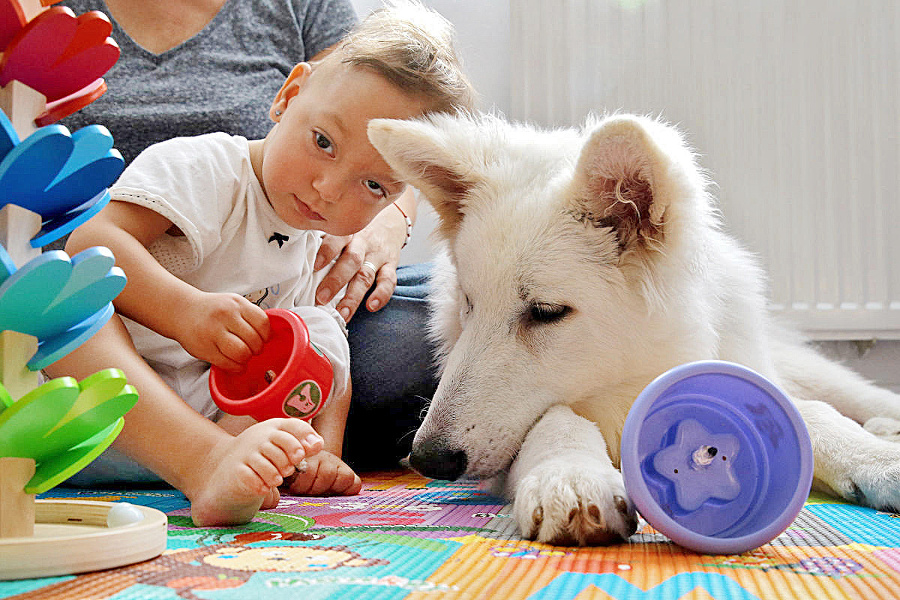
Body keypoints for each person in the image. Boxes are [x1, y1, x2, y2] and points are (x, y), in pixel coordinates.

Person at [46, 1, 475, 526]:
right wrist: (185, 312)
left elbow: (320, 358)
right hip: (89, 406)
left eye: (373, 185)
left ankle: (235, 454)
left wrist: (319, 450)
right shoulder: (207, 167)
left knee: (321, 325)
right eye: (323, 143)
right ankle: (199, 461)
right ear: (288, 96)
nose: (328, 190)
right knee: (66, 302)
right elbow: (91, 244)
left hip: (202, 414)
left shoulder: (311, 234)